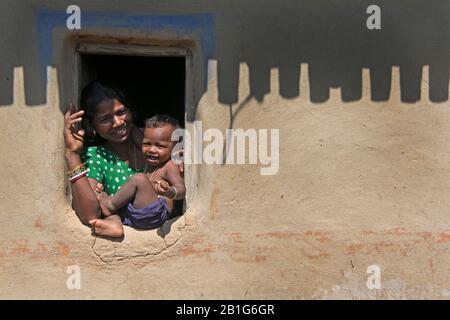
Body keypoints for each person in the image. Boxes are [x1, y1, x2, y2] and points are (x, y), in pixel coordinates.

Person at [63, 81, 183, 237]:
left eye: (121, 112)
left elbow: (178, 135)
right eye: (105, 120)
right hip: (130, 222)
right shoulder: (97, 157)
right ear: (90, 125)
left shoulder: (149, 137)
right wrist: (72, 155)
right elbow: (90, 215)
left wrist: (181, 151)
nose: (118, 122)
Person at [92, 114, 186, 237]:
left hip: (155, 213)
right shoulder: (148, 161)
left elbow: (181, 189)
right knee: (119, 207)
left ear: (174, 149)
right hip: (137, 212)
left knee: (138, 179)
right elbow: (134, 131)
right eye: (147, 144)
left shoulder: (170, 166)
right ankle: (114, 225)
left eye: (160, 146)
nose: (152, 150)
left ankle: (109, 205)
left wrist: (170, 191)